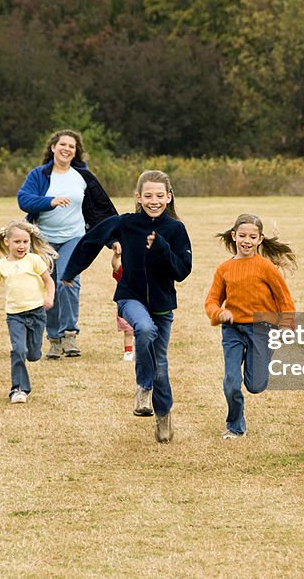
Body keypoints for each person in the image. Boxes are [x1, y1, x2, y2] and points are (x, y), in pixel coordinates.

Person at [61, 170, 191, 444]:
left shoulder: (175, 230)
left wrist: (161, 247)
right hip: (130, 296)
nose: (153, 200)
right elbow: (91, 240)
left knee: (161, 366)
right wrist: (71, 271)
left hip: (163, 303)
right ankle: (143, 388)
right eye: (148, 195)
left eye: (159, 195)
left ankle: (163, 415)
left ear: (169, 197)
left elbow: (181, 271)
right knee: (143, 329)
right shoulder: (125, 223)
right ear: (138, 197)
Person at [17, 130, 117, 359]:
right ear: (53, 147)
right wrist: (50, 201)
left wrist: (113, 240)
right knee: (49, 287)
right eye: (62, 144)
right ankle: (54, 339)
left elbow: (101, 210)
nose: (66, 149)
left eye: (71, 146)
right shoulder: (39, 175)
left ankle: (69, 334)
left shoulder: (83, 177)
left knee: (68, 281)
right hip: (44, 240)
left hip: (75, 237)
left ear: (76, 151)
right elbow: (24, 199)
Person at [205, 214, 296, 439]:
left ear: (260, 239)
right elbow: (211, 301)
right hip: (233, 329)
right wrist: (219, 313)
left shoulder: (266, 268)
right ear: (234, 236)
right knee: (231, 382)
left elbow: (285, 299)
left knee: (255, 385)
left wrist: (286, 325)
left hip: (262, 329)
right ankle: (235, 426)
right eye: (242, 235)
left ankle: (262, 360)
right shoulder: (224, 268)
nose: (247, 240)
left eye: (252, 237)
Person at [0, 220, 56, 404]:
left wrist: (50, 297)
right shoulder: (0, 266)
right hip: (15, 316)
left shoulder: (34, 260)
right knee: (18, 350)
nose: (22, 246)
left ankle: (32, 353)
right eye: (17, 242)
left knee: (33, 354)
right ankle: (18, 389)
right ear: (7, 242)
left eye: (25, 242)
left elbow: (49, 281)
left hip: (36, 313)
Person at [111, 246, 135, 362]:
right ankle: (128, 351)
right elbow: (115, 266)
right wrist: (117, 256)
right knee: (128, 331)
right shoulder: (123, 273)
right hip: (126, 307)